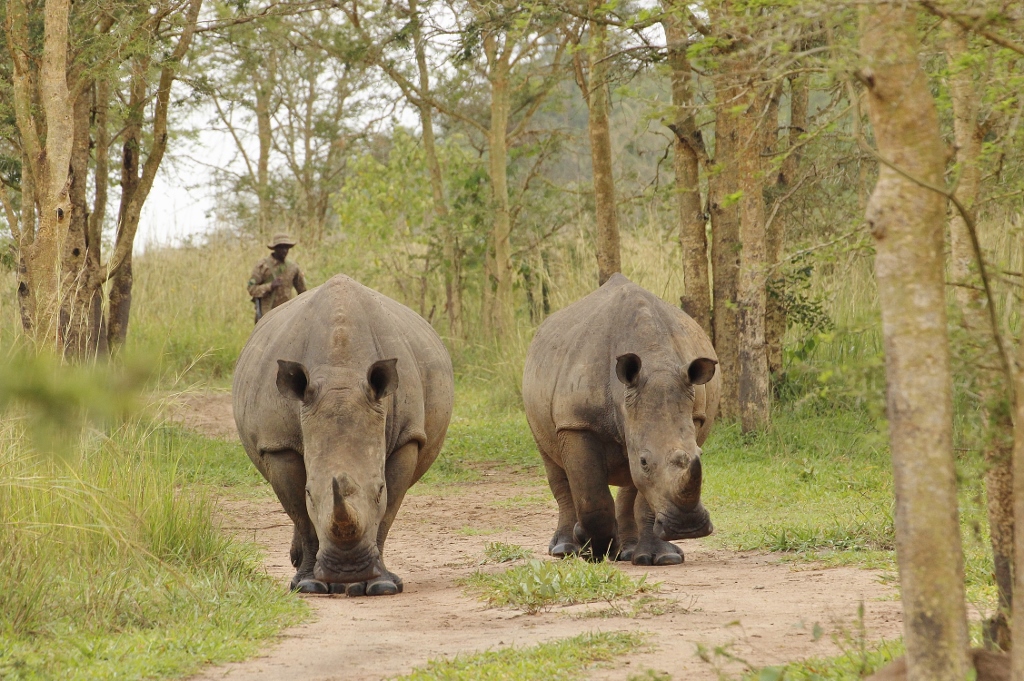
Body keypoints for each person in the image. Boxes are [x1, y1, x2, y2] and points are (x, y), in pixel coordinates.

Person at [248, 233, 307, 323]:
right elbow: (251, 289)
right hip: (266, 317)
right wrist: (270, 286)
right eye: (281, 247)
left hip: (287, 316)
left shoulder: (293, 267)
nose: (284, 250)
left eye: (286, 247)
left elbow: (303, 293)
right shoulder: (263, 266)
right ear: (275, 248)